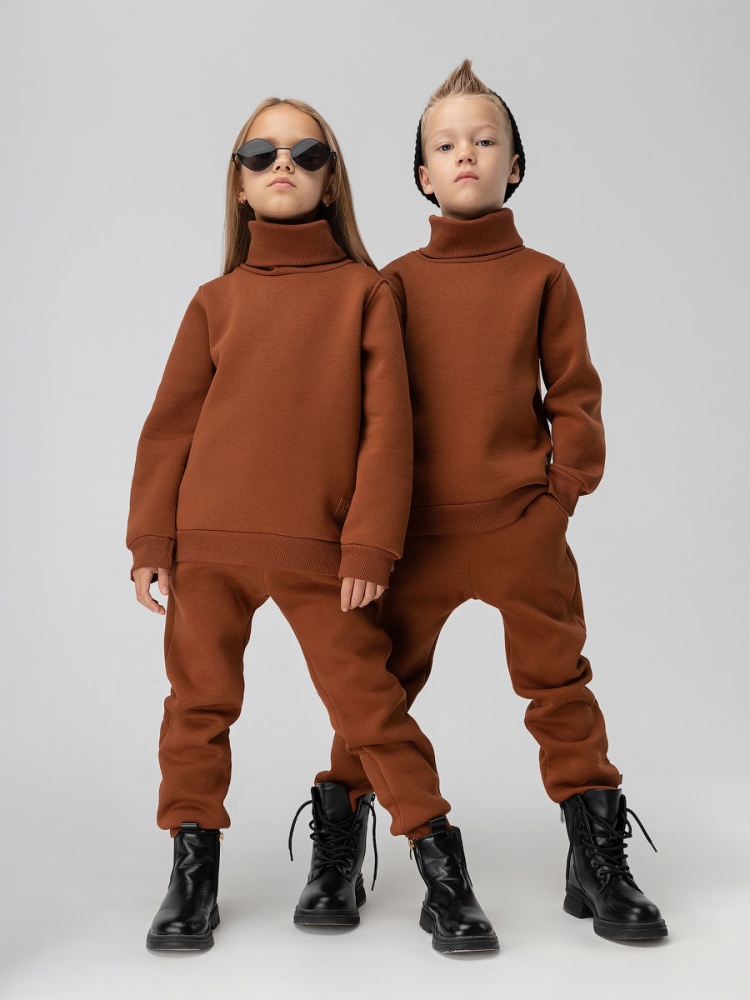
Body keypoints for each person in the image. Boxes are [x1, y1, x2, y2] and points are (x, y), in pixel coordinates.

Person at [298, 60, 668, 944]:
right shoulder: (390, 283)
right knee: (377, 690)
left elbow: (574, 396)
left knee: (560, 687)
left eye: (485, 139)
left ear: (515, 165)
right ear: (423, 174)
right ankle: (338, 846)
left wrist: (560, 496)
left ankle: (598, 863)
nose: (466, 153)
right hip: (414, 538)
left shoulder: (544, 277)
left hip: (520, 529)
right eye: (445, 144)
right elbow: (364, 411)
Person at [127, 95, 498, 955]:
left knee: (372, 706)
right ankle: (192, 875)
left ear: (332, 182)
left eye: (305, 152)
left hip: (323, 554)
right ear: (239, 185)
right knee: (196, 706)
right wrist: (150, 539)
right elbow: (170, 427)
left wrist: (370, 543)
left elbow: (388, 430)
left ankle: (442, 868)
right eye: (259, 154)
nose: (281, 165)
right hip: (207, 544)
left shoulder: (366, 293)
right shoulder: (215, 301)